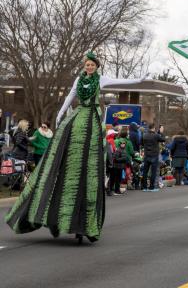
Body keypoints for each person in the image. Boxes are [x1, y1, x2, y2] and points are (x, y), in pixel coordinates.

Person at [5, 52, 146, 243]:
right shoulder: (79, 79)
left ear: (97, 67)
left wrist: (140, 79)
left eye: (92, 65)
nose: (89, 67)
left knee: (89, 155)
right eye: (87, 64)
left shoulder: (101, 80)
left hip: (91, 119)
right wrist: (60, 113)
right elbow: (70, 96)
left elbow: (121, 81)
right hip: (78, 116)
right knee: (62, 145)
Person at [141, 123, 165, 190]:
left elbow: (141, 143)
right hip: (154, 155)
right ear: (154, 128)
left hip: (146, 155)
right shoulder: (156, 135)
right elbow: (163, 139)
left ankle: (144, 187)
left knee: (145, 172)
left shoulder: (144, 135)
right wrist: (161, 132)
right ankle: (151, 187)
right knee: (153, 172)